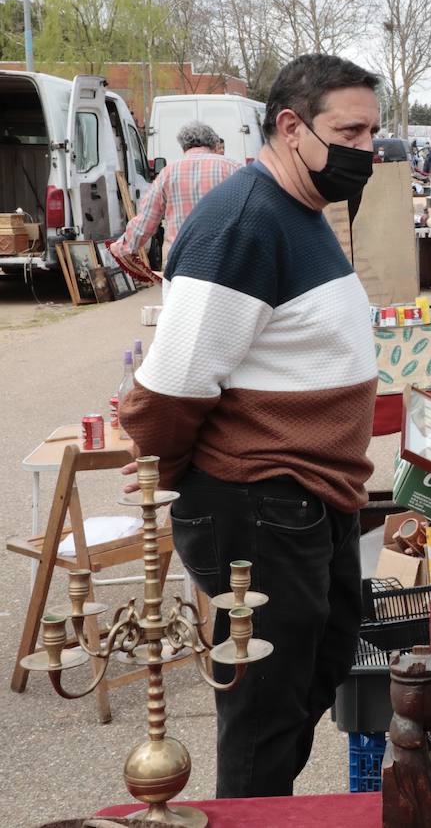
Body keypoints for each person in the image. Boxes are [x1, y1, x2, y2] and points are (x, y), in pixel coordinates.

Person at [119, 53, 381, 797]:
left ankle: (267, 807)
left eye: (373, 131)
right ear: (291, 127)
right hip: (260, 503)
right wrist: (186, 485)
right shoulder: (244, 218)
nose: (366, 149)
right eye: (351, 130)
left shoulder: (299, 210)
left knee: (316, 671)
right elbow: (170, 387)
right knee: (265, 712)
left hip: (311, 495)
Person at [110, 121, 240, 272]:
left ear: (183, 145)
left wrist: (120, 247)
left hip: (181, 264)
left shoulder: (168, 173)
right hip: (224, 263)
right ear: (214, 143)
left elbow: (145, 222)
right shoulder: (233, 169)